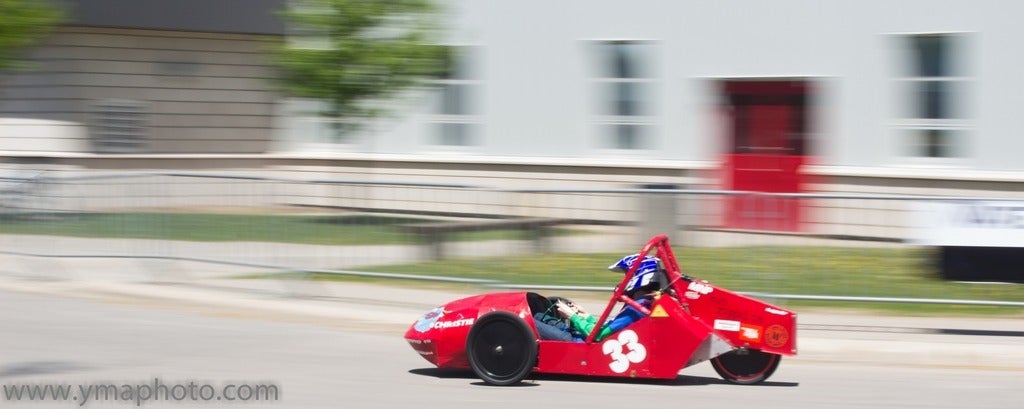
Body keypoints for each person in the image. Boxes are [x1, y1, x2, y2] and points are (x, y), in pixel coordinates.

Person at [552, 254, 663, 342]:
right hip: (588, 339)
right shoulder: (644, 303)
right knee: (544, 320)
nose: (623, 281)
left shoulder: (636, 309)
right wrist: (586, 316)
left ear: (638, 276)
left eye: (627, 275)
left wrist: (572, 316)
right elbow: (610, 328)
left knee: (536, 322)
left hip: (579, 342)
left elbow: (598, 335)